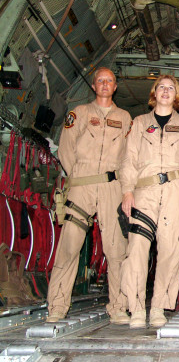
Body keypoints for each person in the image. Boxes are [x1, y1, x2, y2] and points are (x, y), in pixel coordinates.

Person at [47, 67, 131, 324]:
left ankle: (118, 307)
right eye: (100, 81)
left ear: (115, 86)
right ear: (94, 86)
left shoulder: (126, 117)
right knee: (69, 246)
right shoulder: (79, 113)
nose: (105, 84)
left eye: (109, 81)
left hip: (111, 186)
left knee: (116, 249)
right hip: (81, 185)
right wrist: (78, 177)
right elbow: (65, 149)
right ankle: (57, 306)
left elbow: (129, 156)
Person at [119, 75, 179, 329]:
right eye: (161, 87)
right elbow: (129, 160)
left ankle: (157, 307)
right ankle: (135, 308)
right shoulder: (140, 123)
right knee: (137, 251)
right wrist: (127, 191)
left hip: (176, 192)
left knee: (170, 251)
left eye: (171, 88)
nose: (166, 91)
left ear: (176, 96)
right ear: (154, 93)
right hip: (144, 193)